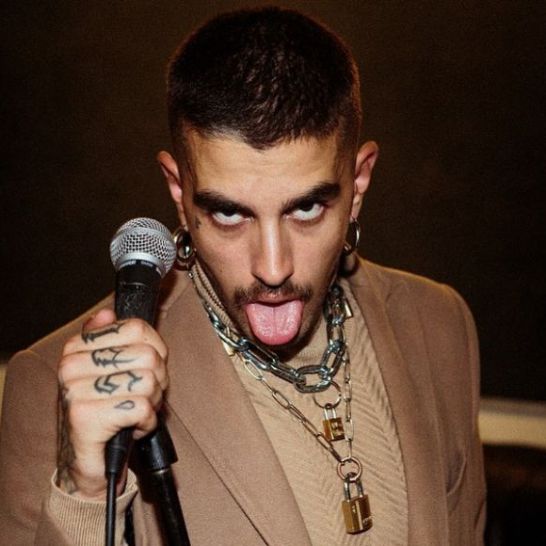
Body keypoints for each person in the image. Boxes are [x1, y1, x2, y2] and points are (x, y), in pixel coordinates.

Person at [0, 6, 486, 545]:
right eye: (229, 213)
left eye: (307, 208)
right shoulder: (50, 386)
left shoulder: (440, 326)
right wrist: (86, 493)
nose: (272, 268)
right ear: (179, 192)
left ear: (359, 182)